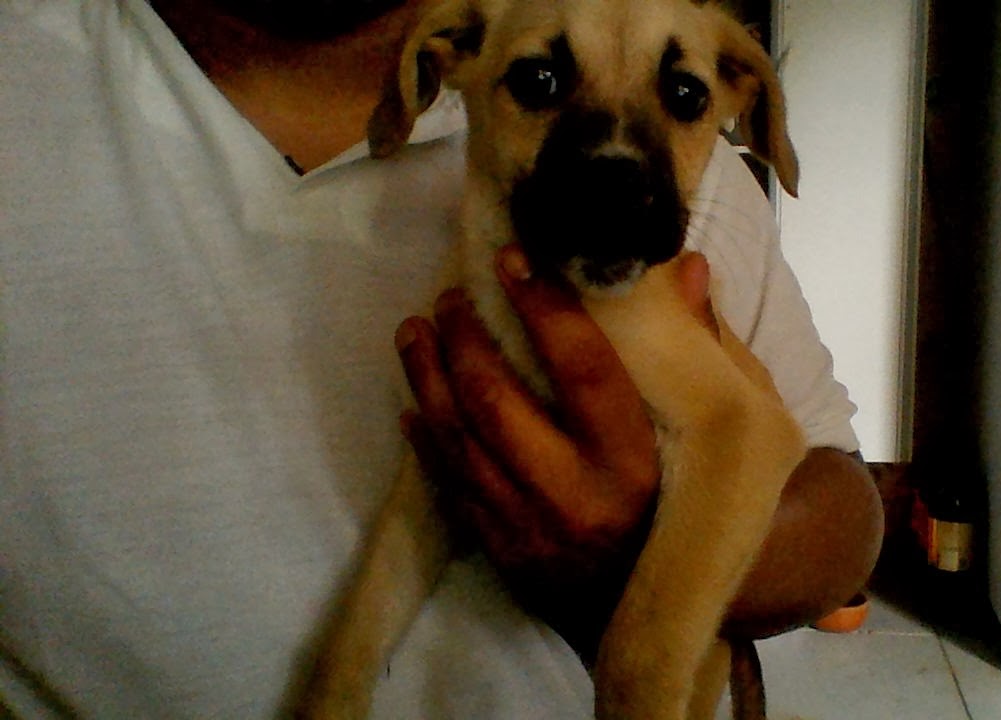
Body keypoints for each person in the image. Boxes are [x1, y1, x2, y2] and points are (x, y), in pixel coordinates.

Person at [0, 1, 884, 717]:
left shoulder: (669, 231)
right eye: (541, 83)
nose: (619, 160)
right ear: (446, 68)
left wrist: (632, 613)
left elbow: (802, 474)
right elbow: (433, 486)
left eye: (683, 96)